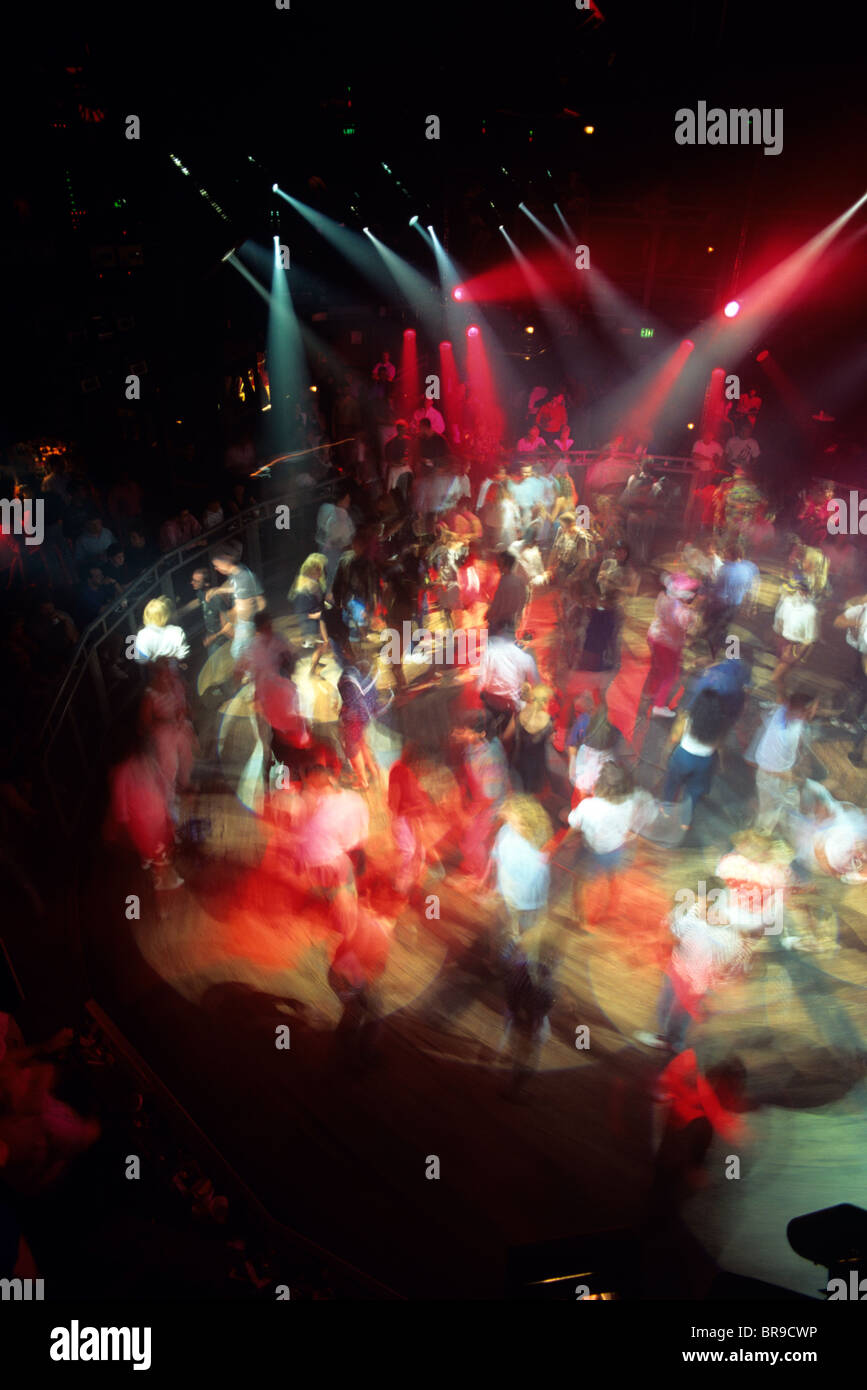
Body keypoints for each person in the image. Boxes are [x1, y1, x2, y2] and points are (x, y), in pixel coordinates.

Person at [635, 876, 753, 1052]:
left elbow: (734, 958)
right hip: (678, 969)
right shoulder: (689, 913)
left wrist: (714, 983)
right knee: (667, 1005)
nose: (703, 905)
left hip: (696, 980)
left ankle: (672, 1042)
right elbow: (672, 933)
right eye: (700, 899)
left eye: (709, 903)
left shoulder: (728, 933)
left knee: (678, 1010)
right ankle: (673, 1035)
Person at [565, 761, 655, 921]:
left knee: (581, 880)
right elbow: (637, 822)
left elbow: (574, 823)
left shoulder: (588, 806)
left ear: (599, 786)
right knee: (613, 876)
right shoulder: (630, 803)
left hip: (592, 850)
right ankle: (613, 905)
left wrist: (565, 840)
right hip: (616, 849)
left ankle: (581, 916)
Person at [487, 794, 552, 948]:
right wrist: (495, 886)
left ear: (526, 822)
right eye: (507, 818)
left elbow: (533, 877)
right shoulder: (506, 830)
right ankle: (516, 935)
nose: (506, 820)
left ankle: (525, 941)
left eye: (512, 819)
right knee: (513, 918)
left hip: (527, 897)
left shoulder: (535, 847)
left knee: (527, 923)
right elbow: (496, 855)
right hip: (509, 892)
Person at [752, 690, 818, 836]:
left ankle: (774, 833)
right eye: (813, 708)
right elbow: (768, 769)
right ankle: (764, 841)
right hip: (772, 776)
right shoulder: (785, 736)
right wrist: (791, 777)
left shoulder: (782, 712)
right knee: (770, 815)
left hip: (778, 773)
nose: (816, 711)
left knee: (781, 808)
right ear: (804, 711)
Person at [660, 688, 728, 828]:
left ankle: (666, 810)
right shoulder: (720, 725)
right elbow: (719, 746)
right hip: (705, 761)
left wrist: (665, 753)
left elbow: (674, 738)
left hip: (683, 757)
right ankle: (685, 821)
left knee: (672, 783)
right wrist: (721, 762)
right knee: (694, 791)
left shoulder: (687, 718)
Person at [643, 573, 701, 718]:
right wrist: (694, 612)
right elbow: (689, 625)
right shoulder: (681, 610)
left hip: (654, 637)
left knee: (657, 668)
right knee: (670, 675)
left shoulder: (664, 597)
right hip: (667, 644)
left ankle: (650, 693)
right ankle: (659, 705)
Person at [476, 630, 540, 742]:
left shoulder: (488, 653)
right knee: (527, 704)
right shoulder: (525, 658)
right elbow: (536, 685)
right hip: (511, 707)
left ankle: (497, 737)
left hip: (491, 703)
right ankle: (506, 739)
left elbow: (480, 683)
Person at [207, 546, 265, 661]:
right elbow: (236, 587)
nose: (216, 568)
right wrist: (219, 590)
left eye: (217, 565)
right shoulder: (236, 573)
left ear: (226, 559)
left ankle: (254, 675)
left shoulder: (243, 576)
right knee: (244, 651)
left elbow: (257, 602)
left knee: (238, 651)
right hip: (243, 623)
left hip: (246, 622)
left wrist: (229, 618)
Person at [771, 580, 819, 695]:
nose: (788, 594)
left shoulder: (810, 612)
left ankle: (783, 704)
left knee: (775, 678)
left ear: (802, 593)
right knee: (782, 678)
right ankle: (780, 702)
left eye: (792, 592)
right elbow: (780, 622)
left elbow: (810, 639)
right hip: (783, 642)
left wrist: (797, 656)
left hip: (795, 647)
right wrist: (779, 639)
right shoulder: (787, 603)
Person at [178, 567, 232, 653]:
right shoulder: (201, 593)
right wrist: (180, 612)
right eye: (193, 580)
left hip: (221, 641)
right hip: (212, 638)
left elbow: (227, 626)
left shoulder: (216, 599)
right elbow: (197, 602)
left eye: (196, 581)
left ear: (206, 584)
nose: (192, 583)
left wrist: (212, 638)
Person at [511, 684, 553, 794]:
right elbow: (548, 739)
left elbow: (516, 737)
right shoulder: (547, 720)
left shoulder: (521, 714)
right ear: (544, 701)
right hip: (537, 761)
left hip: (521, 756)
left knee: (521, 785)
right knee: (533, 788)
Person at [315, 489, 356, 588]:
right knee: (333, 579)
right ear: (343, 499)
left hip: (322, 549)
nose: (349, 502)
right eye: (348, 499)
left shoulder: (325, 507)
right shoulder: (342, 515)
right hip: (334, 554)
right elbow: (346, 542)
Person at [134, 595, 191, 665]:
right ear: (166, 614)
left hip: (156, 672)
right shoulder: (177, 631)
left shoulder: (142, 634)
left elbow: (141, 660)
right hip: (175, 669)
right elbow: (183, 655)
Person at [486, 550, 529, 637]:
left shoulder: (503, 581)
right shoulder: (519, 581)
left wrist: (488, 614)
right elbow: (524, 598)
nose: (497, 564)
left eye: (500, 562)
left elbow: (497, 604)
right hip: (512, 621)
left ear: (506, 564)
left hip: (499, 622)